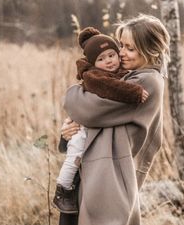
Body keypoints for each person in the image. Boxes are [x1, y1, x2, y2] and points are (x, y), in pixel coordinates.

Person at [59, 14, 170, 225]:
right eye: (121, 45)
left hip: (112, 177)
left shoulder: (145, 83)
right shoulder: (124, 79)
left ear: (151, 50)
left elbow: (85, 108)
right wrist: (70, 131)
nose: (121, 53)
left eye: (130, 48)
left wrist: (72, 95)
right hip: (99, 169)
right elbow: (92, 118)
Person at [53, 27, 149, 214]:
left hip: (106, 164)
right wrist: (134, 92)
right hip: (82, 130)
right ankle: (62, 189)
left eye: (112, 54)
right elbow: (106, 89)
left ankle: (67, 188)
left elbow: (81, 102)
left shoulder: (144, 78)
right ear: (93, 62)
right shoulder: (95, 76)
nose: (109, 61)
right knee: (75, 153)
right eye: (101, 59)